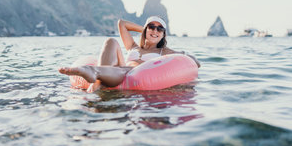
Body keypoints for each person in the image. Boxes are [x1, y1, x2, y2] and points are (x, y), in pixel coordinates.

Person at [59, 16, 200, 92]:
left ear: (163, 34)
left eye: (159, 29)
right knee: (111, 41)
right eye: (151, 27)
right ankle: (96, 79)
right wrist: (145, 30)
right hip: (119, 71)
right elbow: (122, 24)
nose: (155, 31)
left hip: (132, 74)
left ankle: (93, 74)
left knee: (125, 70)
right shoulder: (133, 46)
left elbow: (190, 60)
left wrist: (191, 59)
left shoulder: (164, 51)